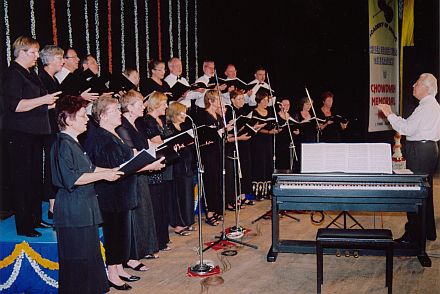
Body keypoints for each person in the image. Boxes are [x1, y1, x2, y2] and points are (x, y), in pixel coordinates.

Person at [85, 96, 159, 290]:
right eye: (115, 111)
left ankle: (118, 267)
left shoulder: (114, 132)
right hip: (111, 191)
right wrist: (147, 166)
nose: (120, 113)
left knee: (121, 231)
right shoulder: (100, 136)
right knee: (114, 233)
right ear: (103, 115)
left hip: (122, 190)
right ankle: (112, 272)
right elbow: (115, 166)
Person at [51, 95, 123, 294]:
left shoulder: (74, 143)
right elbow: (72, 178)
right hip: (74, 211)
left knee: (88, 258)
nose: (87, 120)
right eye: (82, 116)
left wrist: (112, 170)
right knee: (78, 262)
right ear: (68, 119)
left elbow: (90, 168)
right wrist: (106, 175)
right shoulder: (63, 144)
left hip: (84, 208)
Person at [2, 36, 61, 237]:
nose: (37, 56)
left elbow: (36, 101)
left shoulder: (30, 73)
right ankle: (24, 225)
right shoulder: (12, 74)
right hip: (19, 134)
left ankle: (35, 218)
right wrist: (43, 100)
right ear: (22, 52)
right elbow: (16, 105)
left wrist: (47, 103)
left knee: (34, 179)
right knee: (23, 180)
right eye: (34, 52)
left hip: (35, 132)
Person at [377, 73, 440, 244]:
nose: (413, 85)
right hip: (429, 149)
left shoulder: (425, 107)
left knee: (414, 193)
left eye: (417, 83)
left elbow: (407, 129)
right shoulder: (432, 106)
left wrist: (389, 114)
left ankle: (413, 236)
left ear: (426, 88)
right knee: (425, 192)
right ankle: (427, 231)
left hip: (420, 151)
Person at [116, 90, 162, 269]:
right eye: (140, 104)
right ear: (129, 107)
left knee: (143, 213)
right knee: (135, 216)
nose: (143, 106)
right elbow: (131, 154)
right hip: (131, 177)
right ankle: (132, 257)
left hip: (140, 174)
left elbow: (148, 146)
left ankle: (142, 250)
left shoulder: (137, 124)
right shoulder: (123, 126)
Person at [136, 91, 173, 251]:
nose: (166, 106)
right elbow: (156, 141)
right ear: (157, 103)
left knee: (163, 202)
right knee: (156, 204)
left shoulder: (161, 119)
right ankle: (158, 240)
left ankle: (163, 238)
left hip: (164, 162)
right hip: (154, 165)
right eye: (164, 103)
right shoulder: (148, 120)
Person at [38, 45, 65, 220]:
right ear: (50, 60)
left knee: (55, 164)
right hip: (46, 128)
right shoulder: (41, 79)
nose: (62, 61)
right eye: (59, 58)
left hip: (54, 127)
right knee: (51, 166)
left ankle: (56, 204)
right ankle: (53, 207)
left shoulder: (52, 79)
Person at [165, 102, 196, 234]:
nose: (185, 115)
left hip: (187, 164)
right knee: (178, 195)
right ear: (175, 114)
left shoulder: (185, 126)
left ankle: (187, 221)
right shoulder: (169, 128)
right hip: (177, 165)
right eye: (182, 113)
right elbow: (169, 146)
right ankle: (178, 224)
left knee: (187, 194)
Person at [197, 90, 225, 225]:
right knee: (210, 181)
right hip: (208, 153)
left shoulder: (218, 116)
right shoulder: (203, 115)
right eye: (218, 100)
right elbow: (203, 134)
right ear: (211, 101)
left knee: (217, 180)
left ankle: (217, 209)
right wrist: (217, 132)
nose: (220, 102)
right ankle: (209, 212)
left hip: (218, 150)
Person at [224, 90, 256, 209]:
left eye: (243, 99)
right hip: (234, 144)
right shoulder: (229, 111)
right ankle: (235, 198)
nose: (242, 101)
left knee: (244, 170)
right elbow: (229, 130)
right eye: (239, 99)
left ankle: (243, 196)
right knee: (236, 171)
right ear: (232, 100)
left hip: (244, 142)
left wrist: (254, 127)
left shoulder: (243, 111)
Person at [250, 91, 280, 200]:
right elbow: (254, 128)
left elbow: (272, 124)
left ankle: (268, 191)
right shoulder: (254, 112)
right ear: (259, 100)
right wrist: (267, 132)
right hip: (258, 141)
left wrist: (275, 129)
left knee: (268, 164)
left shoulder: (270, 112)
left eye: (268, 100)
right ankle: (258, 192)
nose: (266, 102)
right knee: (259, 164)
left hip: (269, 141)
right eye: (264, 100)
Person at [275, 98, 300, 170]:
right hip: (280, 143)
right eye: (285, 105)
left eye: (288, 105)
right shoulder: (276, 116)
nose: (287, 106)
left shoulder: (292, 115)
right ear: (280, 106)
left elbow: (296, 127)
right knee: (282, 163)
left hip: (291, 142)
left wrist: (297, 131)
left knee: (291, 162)